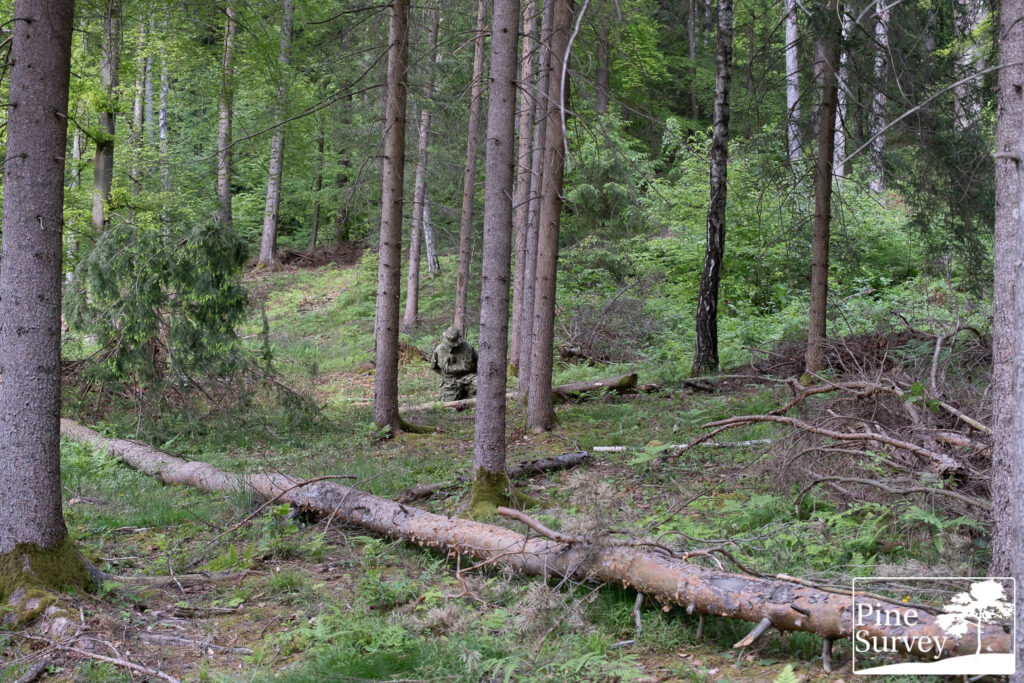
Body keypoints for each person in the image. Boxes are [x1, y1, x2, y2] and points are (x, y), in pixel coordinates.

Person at [430, 326, 477, 401]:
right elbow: (434, 366)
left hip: (468, 376)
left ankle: (469, 399)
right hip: (449, 379)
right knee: (449, 404)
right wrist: (445, 375)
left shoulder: (468, 347)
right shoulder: (439, 349)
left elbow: (478, 363)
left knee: (479, 385)